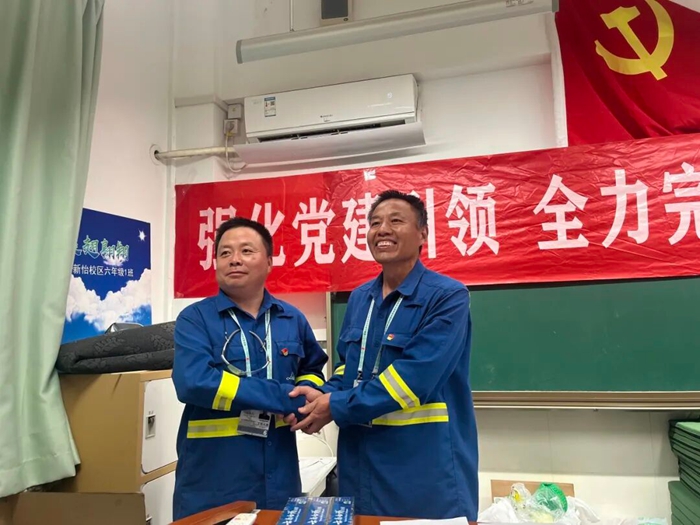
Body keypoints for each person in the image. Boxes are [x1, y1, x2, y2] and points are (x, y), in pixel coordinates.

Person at [288, 190, 478, 520]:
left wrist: (334, 405)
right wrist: (320, 396)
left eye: (396, 221)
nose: (383, 230)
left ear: (423, 234)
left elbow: (414, 379)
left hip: (423, 466)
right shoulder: (360, 298)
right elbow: (348, 367)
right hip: (359, 460)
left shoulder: (447, 297)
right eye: (375, 223)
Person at [172, 217, 328, 520]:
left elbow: (312, 368)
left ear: (269, 261)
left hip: (280, 473)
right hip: (214, 477)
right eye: (225, 253)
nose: (234, 260)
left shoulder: (291, 318)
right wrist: (284, 398)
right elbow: (193, 382)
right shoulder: (195, 319)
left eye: (246, 251)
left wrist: (308, 394)